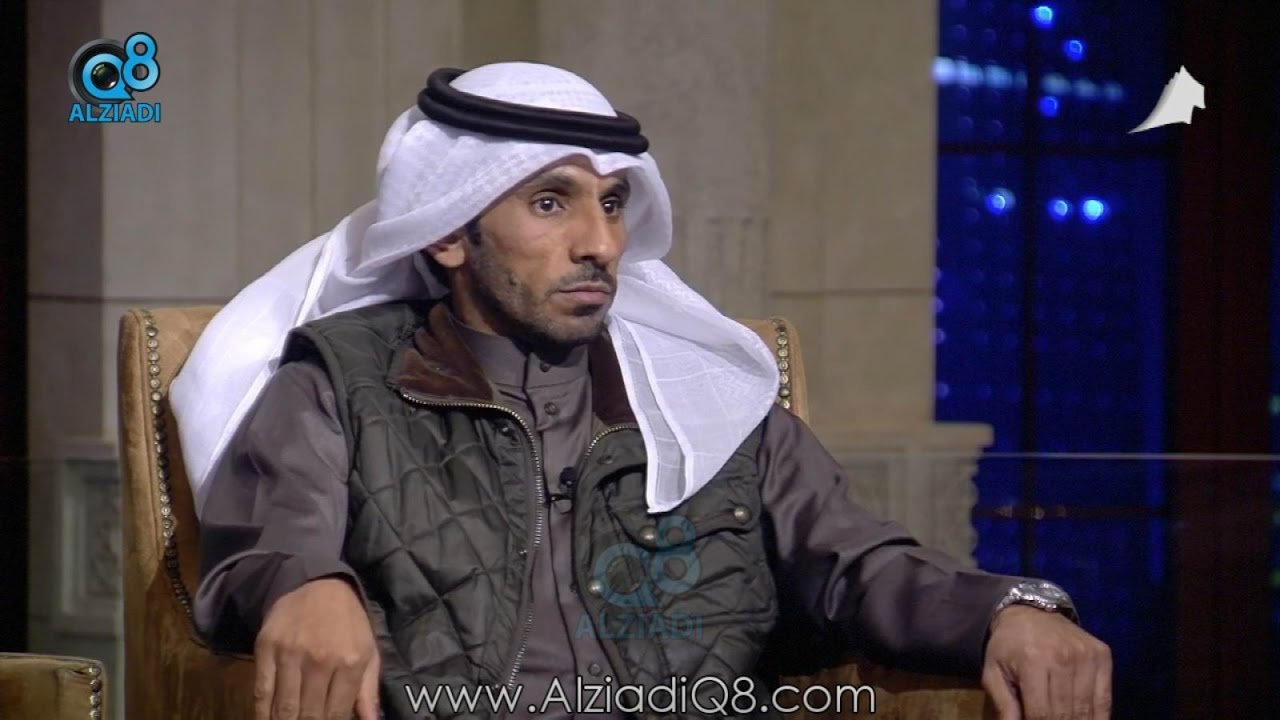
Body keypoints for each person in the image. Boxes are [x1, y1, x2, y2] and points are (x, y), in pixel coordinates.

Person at [173, 63, 1111, 720]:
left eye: (613, 203)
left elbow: (859, 563)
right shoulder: (343, 383)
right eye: (552, 202)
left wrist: (1011, 609)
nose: (601, 244)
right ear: (449, 234)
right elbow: (275, 542)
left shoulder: (704, 394)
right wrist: (306, 587)